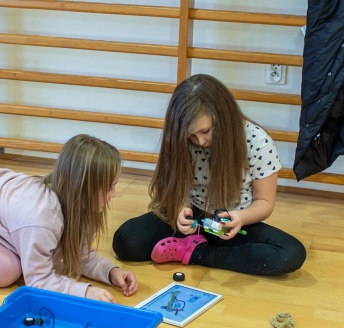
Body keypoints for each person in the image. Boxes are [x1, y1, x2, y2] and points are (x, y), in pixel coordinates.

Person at [112, 74, 306, 276]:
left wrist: (240, 217)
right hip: (194, 219)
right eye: (192, 135)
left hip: (232, 224)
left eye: (205, 131)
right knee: (126, 241)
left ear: (224, 118)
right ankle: (200, 247)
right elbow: (176, 186)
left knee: (290, 253)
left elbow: (264, 201)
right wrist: (181, 209)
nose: (200, 141)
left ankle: (196, 253)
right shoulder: (182, 140)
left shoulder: (257, 141)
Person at [0, 134, 138, 302]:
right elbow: (38, 280)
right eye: (109, 187)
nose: (114, 194)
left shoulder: (78, 204)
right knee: (4, 273)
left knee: (22, 260)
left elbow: (80, 256)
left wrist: (111, 272)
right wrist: (86, 292)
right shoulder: (42, 215)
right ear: (83, 188)